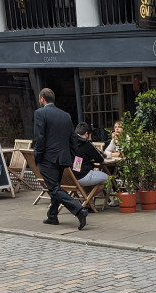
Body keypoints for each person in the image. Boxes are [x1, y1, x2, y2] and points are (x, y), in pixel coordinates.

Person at [32, 88, 87, 230]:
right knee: (55, 186)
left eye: (40, 98)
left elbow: (39, 137)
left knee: (54, 188)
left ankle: (79, 210)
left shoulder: (40, 113)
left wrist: (37, 155)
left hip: (47, 158)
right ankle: (52, 216)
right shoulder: (65, 115)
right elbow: (72, 138)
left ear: (42, 98)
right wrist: (77, 158)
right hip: (63, 158)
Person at [71, 123, 109, 187]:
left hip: (69, 178)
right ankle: (88, 196)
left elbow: (77, 161)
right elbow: (100, 159)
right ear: (86, 134)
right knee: (109, 179)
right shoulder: (85, 143)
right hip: (82, 177)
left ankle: (87, 196)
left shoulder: (70, 142)